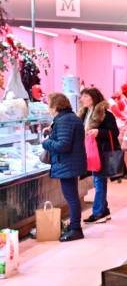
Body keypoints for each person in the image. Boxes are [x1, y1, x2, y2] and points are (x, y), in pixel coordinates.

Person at [42, 93, 87, 241]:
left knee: (71, 198)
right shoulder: (71, 118)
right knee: (72, 196)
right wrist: (52, 132)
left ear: (55, 106)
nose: (48, 108)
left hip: (67, 164)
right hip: (71, 163)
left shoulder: (64, 120)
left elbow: (63, 145)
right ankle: (74, 226)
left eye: (49, 105)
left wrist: (46, 142)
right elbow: (66, 139)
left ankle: (76, 229)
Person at [78, 87, 121, 224]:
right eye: (82, 97)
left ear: (93, 98)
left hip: (103, 152)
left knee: (99, 181)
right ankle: (104, 210)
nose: (82, 99)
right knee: (98, 182)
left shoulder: (105, 114)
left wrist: (99, 132)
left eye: (86, 96)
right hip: (91, 152)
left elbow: (114, 132)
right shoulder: (84, 113)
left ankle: (98, 213)